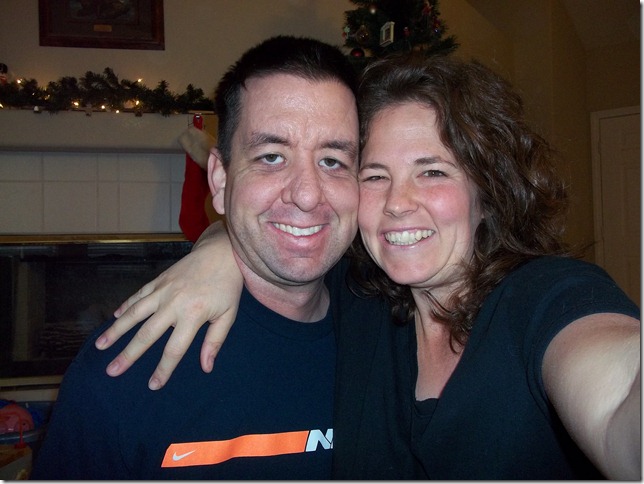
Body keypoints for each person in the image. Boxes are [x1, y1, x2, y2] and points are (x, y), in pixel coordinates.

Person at [96, 55, 640, 479]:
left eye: (432, 171)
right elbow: (272, 232)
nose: (398, 203)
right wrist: (216, 251)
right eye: (375, 175)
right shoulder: (360, 302)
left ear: (487, 193)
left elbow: (617, 400)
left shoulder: (547, 299)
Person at [30, 35, 362, 479]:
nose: (306, 195)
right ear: (221, 180)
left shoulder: (391, 332)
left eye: (333, 161)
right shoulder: (124, 368)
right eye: (271, 156)